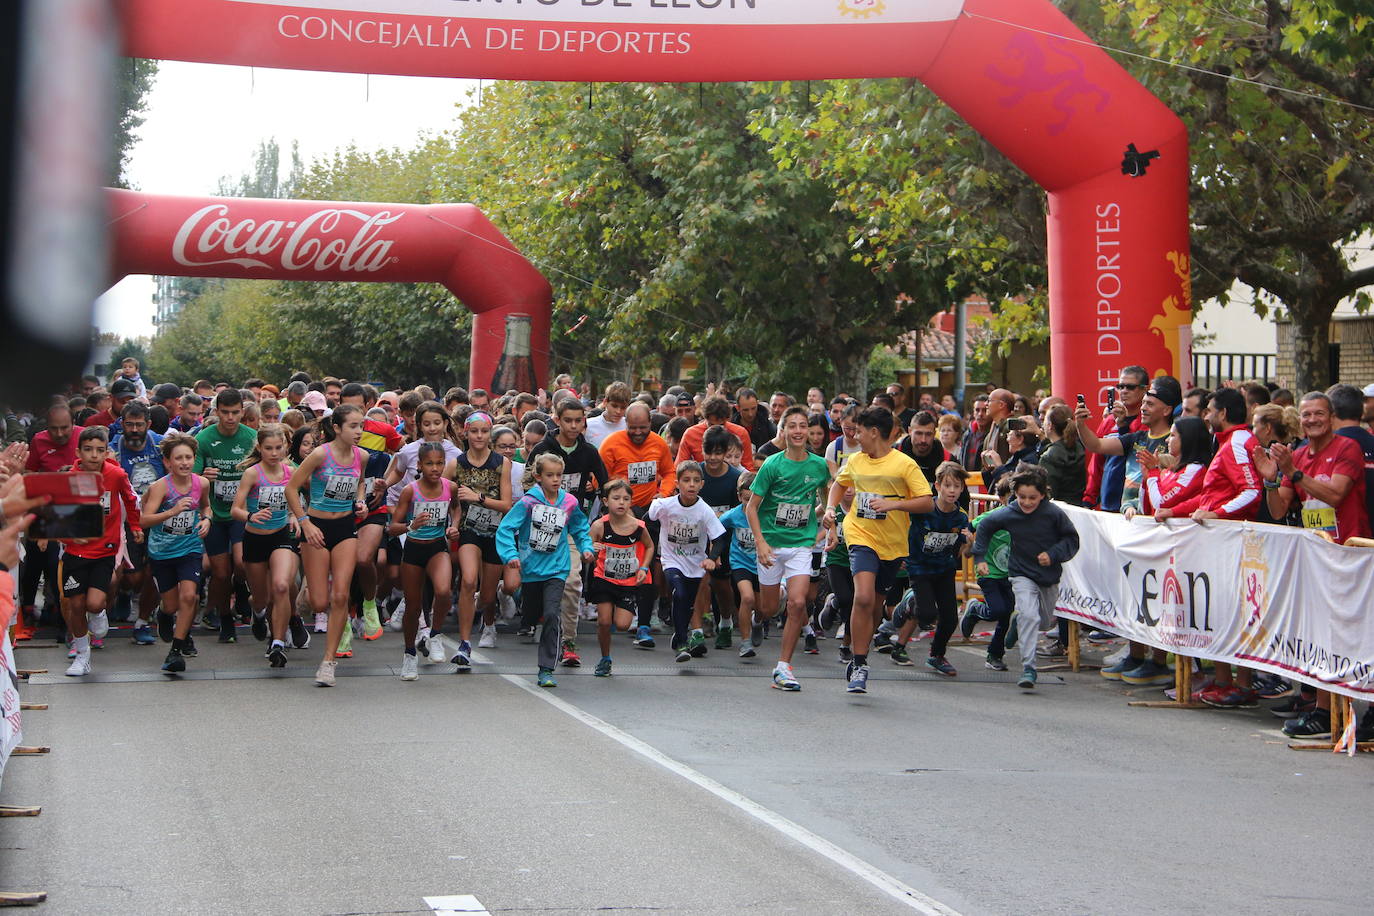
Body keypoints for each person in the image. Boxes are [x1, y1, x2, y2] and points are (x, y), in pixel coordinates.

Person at [1158, 387, 1262, 708]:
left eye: (1209, 411)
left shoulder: (1241, 442)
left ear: (1224, 414)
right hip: (1218, 544)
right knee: (1216, 613)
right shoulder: (1227, 443)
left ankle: (1241, 686)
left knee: (1235, 613)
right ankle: (1222, 681)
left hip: (1235, 545)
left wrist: (1217, 515)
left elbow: (1251, 491)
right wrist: (1175, 511)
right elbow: (1208, 495)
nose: (1205, 416)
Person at [821, 406, 933, 693]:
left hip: (893, 544)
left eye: (859, 431)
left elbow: (926, 502)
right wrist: (832, 509)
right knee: (863, 596)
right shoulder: (857, 461)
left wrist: (894, 504)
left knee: (874, 606)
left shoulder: (904, 464)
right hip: (860, 535)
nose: (855, 436)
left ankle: (860, 651)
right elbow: (838, 485)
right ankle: (859, 663)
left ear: (874, 432)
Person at [744, 406, 831, 691]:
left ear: (809, 431)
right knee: (769, 608)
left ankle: (783, 667)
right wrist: (760, 543)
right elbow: (752, 508)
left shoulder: (819, 466)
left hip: (801, 546)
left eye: (802, 426)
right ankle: (762, 614)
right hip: (771, 544)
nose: (797, 431)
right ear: (783, 431)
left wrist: (827, 520)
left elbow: (827, 499)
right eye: (791, 426)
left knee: (797, 603)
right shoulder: (772, 465)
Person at [972, 464, 1081, 689]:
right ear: (1015, 494)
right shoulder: (1010, 513)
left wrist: (1052, 555)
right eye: (1022, 497)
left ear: (1043, 494)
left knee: (1041, 621)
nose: (1027, 503)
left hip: (1048, 575)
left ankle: (1017, 622)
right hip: (1021, 573)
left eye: (1033, 497)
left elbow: (1072, 540)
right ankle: (1029, 668)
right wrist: (980, 558)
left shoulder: (1053, 514)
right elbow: (984, 527)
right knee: (1030, 617)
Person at [495, 453, 594, 689]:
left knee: (551, 614)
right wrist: (510, 555)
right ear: (539, 477)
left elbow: (580, 527)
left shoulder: (569, 502)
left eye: (559, 475)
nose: (556, 479)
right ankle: (515, 595)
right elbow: (506, 528)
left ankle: (546, 669)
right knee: (530, 615)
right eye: (550, 475)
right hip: (530, 568)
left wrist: (586, 548)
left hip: (557, 568)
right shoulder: (529, 502)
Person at [286, 404, 368, 687]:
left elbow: (359, 484)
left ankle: (328, 662)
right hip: (316, 528)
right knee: (319, 601)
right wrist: (305, 522)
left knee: (341, 596)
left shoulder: (363, 456)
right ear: (337, 428)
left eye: (361, 426)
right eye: (353, 426)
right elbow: (291, 488)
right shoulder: (320, 454)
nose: (358, 432)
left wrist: (361, 501)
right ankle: (303, 599)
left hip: (345, 528)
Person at [526, 397, 608, 668]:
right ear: (557, 420)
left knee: (572, 583)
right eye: (568, 420)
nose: (574, 426)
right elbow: (526, 485)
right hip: (541, 528)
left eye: (579, 421)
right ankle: (535, 617)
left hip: (572, 527)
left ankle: (569, 642)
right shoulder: (542, 448)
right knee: (540, 585)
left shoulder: (589, 452)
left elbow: (605, 486)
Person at [55, 427, 142, 675]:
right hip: (74, 552)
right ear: (78, 452)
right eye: (89, 450)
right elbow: (55, 514)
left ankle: (100, 612)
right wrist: (68, 534)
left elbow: (131, 499)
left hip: (105, 550)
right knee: (76, 604)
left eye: (100, 450)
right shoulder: (68, 478)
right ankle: (82, 656)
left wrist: (134, 525)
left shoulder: (115, 475)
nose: (94, 455)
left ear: (106, 452)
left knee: (93, 603)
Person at [230, 424, 305, 667]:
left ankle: (278, 643)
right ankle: (258, 612)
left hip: (281, 535)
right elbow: (236, 509)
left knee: (282, 586)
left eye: (279, 448)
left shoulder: (291, 470)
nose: (274, 453)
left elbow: (296, 501)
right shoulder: (253, 473)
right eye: (269, 448)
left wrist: (295, 516)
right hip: (255, 538)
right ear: (260, 448)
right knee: (261, 598)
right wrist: (251, 516)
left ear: (286, 447)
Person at [389, 442, 461, 681]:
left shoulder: (450, 487)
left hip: (437, 547)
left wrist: (453, 527)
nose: (435, 468)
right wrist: (411, 525)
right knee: (413, 606)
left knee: (443, 592)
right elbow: (392, 527)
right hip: (413, 550)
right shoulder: (410, 491)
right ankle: (409, 654)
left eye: (439, 463)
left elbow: (457, 509)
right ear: (419, 465)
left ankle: (435, 634)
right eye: (429, 463)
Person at [140, 433, 210, 674]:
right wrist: (172, 512)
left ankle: (176, 650)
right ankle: (164, 614)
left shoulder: (201, 483)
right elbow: (144, 520)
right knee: (171, 605)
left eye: (188, 457)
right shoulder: (160, 487)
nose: (184, 463)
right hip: (162, 552)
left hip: (190, 547)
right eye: (178, 458)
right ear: (168, 462)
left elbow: (206, 506)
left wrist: (207, 519)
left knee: (190, 596)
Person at [193, 387, 258, 644]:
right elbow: (192, 475)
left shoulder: (252, 437)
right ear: (217, 411)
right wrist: (202, 476)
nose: (230, 418)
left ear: (243, 412)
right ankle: (225, 617)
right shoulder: (205, 438)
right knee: (220, 573)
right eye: (225, 413)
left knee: (241, 564)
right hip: (215, 514)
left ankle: (241, 590)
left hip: (241, 512)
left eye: (235, 413)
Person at [450, 410, 515, 661]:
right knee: (468, 581)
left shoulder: (502, 463)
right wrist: (453, 518)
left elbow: (507, 504)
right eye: (474, 431)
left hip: (496, 533)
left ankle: (490, 606)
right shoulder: (456, 463)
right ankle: (464, 644)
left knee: (486, 597)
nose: (479, 436)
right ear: (465, 433)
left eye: (484, 431)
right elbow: (440, 490)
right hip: (469, 531)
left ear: (490, 434)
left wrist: (477, 498)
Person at [649, 461, 727, 662]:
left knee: (688, 604)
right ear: (677, 484)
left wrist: (711, 559)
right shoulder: (667, 505)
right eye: (686, 480)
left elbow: (719, 538)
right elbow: (650, 516)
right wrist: (656, 503)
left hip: (695, 564)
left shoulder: (704, 510)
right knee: (680, 593)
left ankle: (680, 636)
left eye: (695, 481)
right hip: (671, 559)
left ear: (702, 484)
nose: (691, 485)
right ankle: (682, 641)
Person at [586, 479, 655, 677]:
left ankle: (616, 615)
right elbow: (587, 551)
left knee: (623, 625)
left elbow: (650, 546)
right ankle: (605, 658)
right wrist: (591, 549)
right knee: (605, 622)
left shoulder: (638, 526)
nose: (621, 503)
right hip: (604, 579)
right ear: (606, 501)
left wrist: (643, 566)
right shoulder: (599, 526)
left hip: (628, 581)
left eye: (626, 499)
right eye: (616, 498)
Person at [110, 401, 163, 643]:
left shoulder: (161, 445)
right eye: (129, 424)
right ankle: (123, 592)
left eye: (138, 425)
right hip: (127, 519)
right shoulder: (114, 450)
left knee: (156, 573)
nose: (133, 429)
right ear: (121, 425)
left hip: (159, 517)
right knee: (134, 578)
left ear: (148, 425)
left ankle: (143, 621)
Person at [1083, 366, 1149, 511]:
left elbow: (1135, 455)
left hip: (1135, 504)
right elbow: (1097, 462)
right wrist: (1089, 498)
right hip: (1108, 501)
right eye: (1120, 386)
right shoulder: (1109, 420)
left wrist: (1123, 427)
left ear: (1145, 390)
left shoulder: (1148, 422)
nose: (1124, 391)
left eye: (1130, 387)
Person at [714, 471, 761, 657]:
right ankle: (745, 642)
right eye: (745, 499)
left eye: (754, 500)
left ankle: (757, 621)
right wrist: (714, 554)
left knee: (763, 608)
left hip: (762, 564)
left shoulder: (765, 514)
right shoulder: (732, 516)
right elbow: (715, 530)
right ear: (739, 496)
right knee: (747, 598)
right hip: (740, 562)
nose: (749, 504)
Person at [676, 396, 755, 470]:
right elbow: (679, 467)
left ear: (727, 419)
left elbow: (748, 468)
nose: (717, 429)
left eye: (721, 425)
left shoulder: (740, 433)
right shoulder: (691, 434)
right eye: (712, 425)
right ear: (705, 419)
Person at [583, 381, 630, 448]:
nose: (618, 411)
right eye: (614, 406)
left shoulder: (629, 426)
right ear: (605, 402)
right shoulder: (588, 425)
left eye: (623, 407)